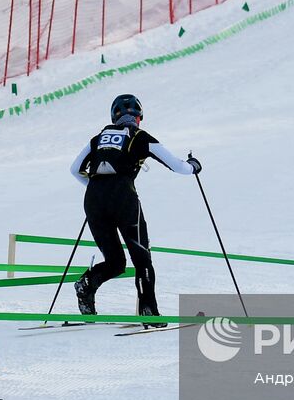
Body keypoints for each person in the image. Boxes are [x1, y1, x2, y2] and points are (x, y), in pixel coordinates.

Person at [68, 94, 201, 328]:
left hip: (93, 200)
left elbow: (74, 169)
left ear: (113, 117)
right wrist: (194, 167)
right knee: (141, 259)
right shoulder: (140, 137)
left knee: (116, 262)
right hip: (123, 198)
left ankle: (87, 284)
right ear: (139, 118)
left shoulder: (97, 139)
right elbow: (177, 166)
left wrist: (97, 186)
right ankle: (149, 311)